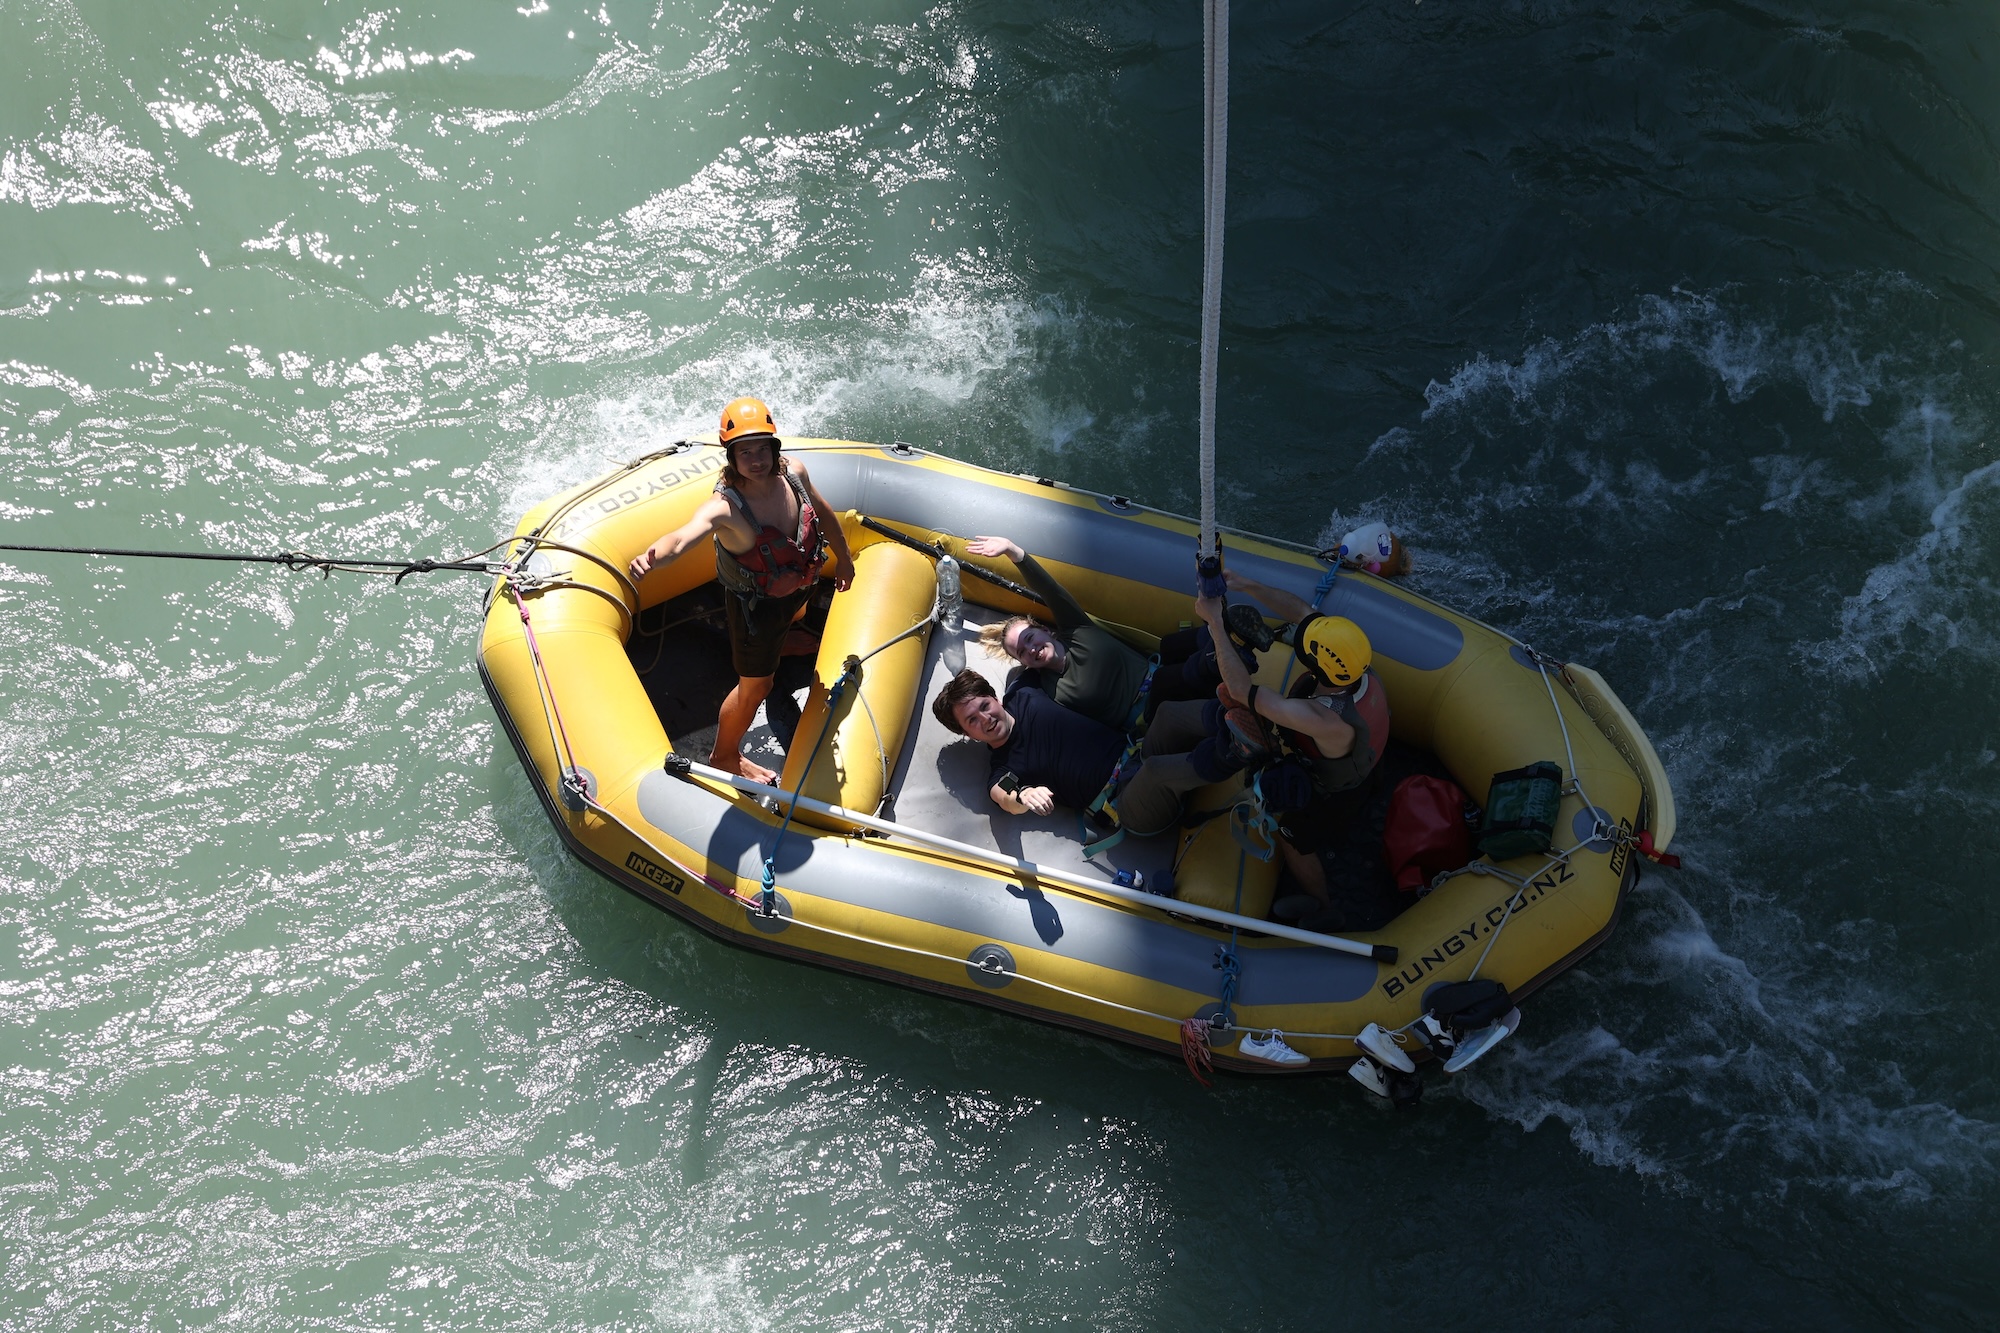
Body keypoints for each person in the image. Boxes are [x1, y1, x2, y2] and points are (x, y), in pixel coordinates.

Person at [628, 396, 856, 783]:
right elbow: (685, 536)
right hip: (757, 610)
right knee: (756, 687)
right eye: (744, 452)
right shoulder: (726, 508)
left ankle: (783, 642)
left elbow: (825, 512)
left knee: (798, 614)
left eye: (762, 449)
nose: (756, 459)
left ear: (775, 449)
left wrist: (845, 558)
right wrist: (655, 557)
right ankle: (725, 755)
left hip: (797, 585)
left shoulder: (794, 474)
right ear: (731, 457)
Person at [1199, 572, 1391, 929]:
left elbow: (1241, 691)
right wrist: (1249, 584)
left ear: (1319, 667)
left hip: (1335, 791)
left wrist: (1214, 625)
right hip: (1366, 761)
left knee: (1293, 837)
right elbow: (1303, 612)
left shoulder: (1324, 718)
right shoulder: (1354, 667)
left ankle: (1323, 903)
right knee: (1362, 787)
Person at [929, 669, 1264, 839]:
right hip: (1128, 804)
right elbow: (1003, 797)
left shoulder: (1022, 691)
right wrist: (1025, 795)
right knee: (1157, 771)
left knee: (1167, 715)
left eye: (984, 707)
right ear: (967, 734)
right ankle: (1236, 751)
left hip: (1137, 751)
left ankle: (1240, 714)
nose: (985, 719)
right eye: (972, 721)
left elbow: (1035, 655)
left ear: (995, 698)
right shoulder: (1004, 768)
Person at [963, 535, 1252, 730]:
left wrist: (1015, 552)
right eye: (1022, 653)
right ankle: (1231, 651)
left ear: (1044, 630)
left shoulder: (1075, 629)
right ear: (1024, 663)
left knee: (1173, 645)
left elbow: (1050, 590)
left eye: (1029, 639)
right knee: (1172, 678)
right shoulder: (1050, 690)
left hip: (1158, 668)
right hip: (1150, 712)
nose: (1031, 649)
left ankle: (1235, 631)